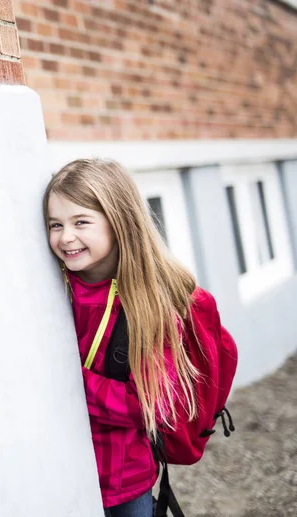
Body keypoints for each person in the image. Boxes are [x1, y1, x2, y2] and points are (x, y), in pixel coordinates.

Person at [43, 158, 235, 517]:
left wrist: (68, 382)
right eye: (56, 224)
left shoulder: (151, 304)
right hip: (65, 468)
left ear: (119, 223)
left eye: (80, 222)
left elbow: (146, 403)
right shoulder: (56, 287)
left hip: (123, 480)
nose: (65, 237)